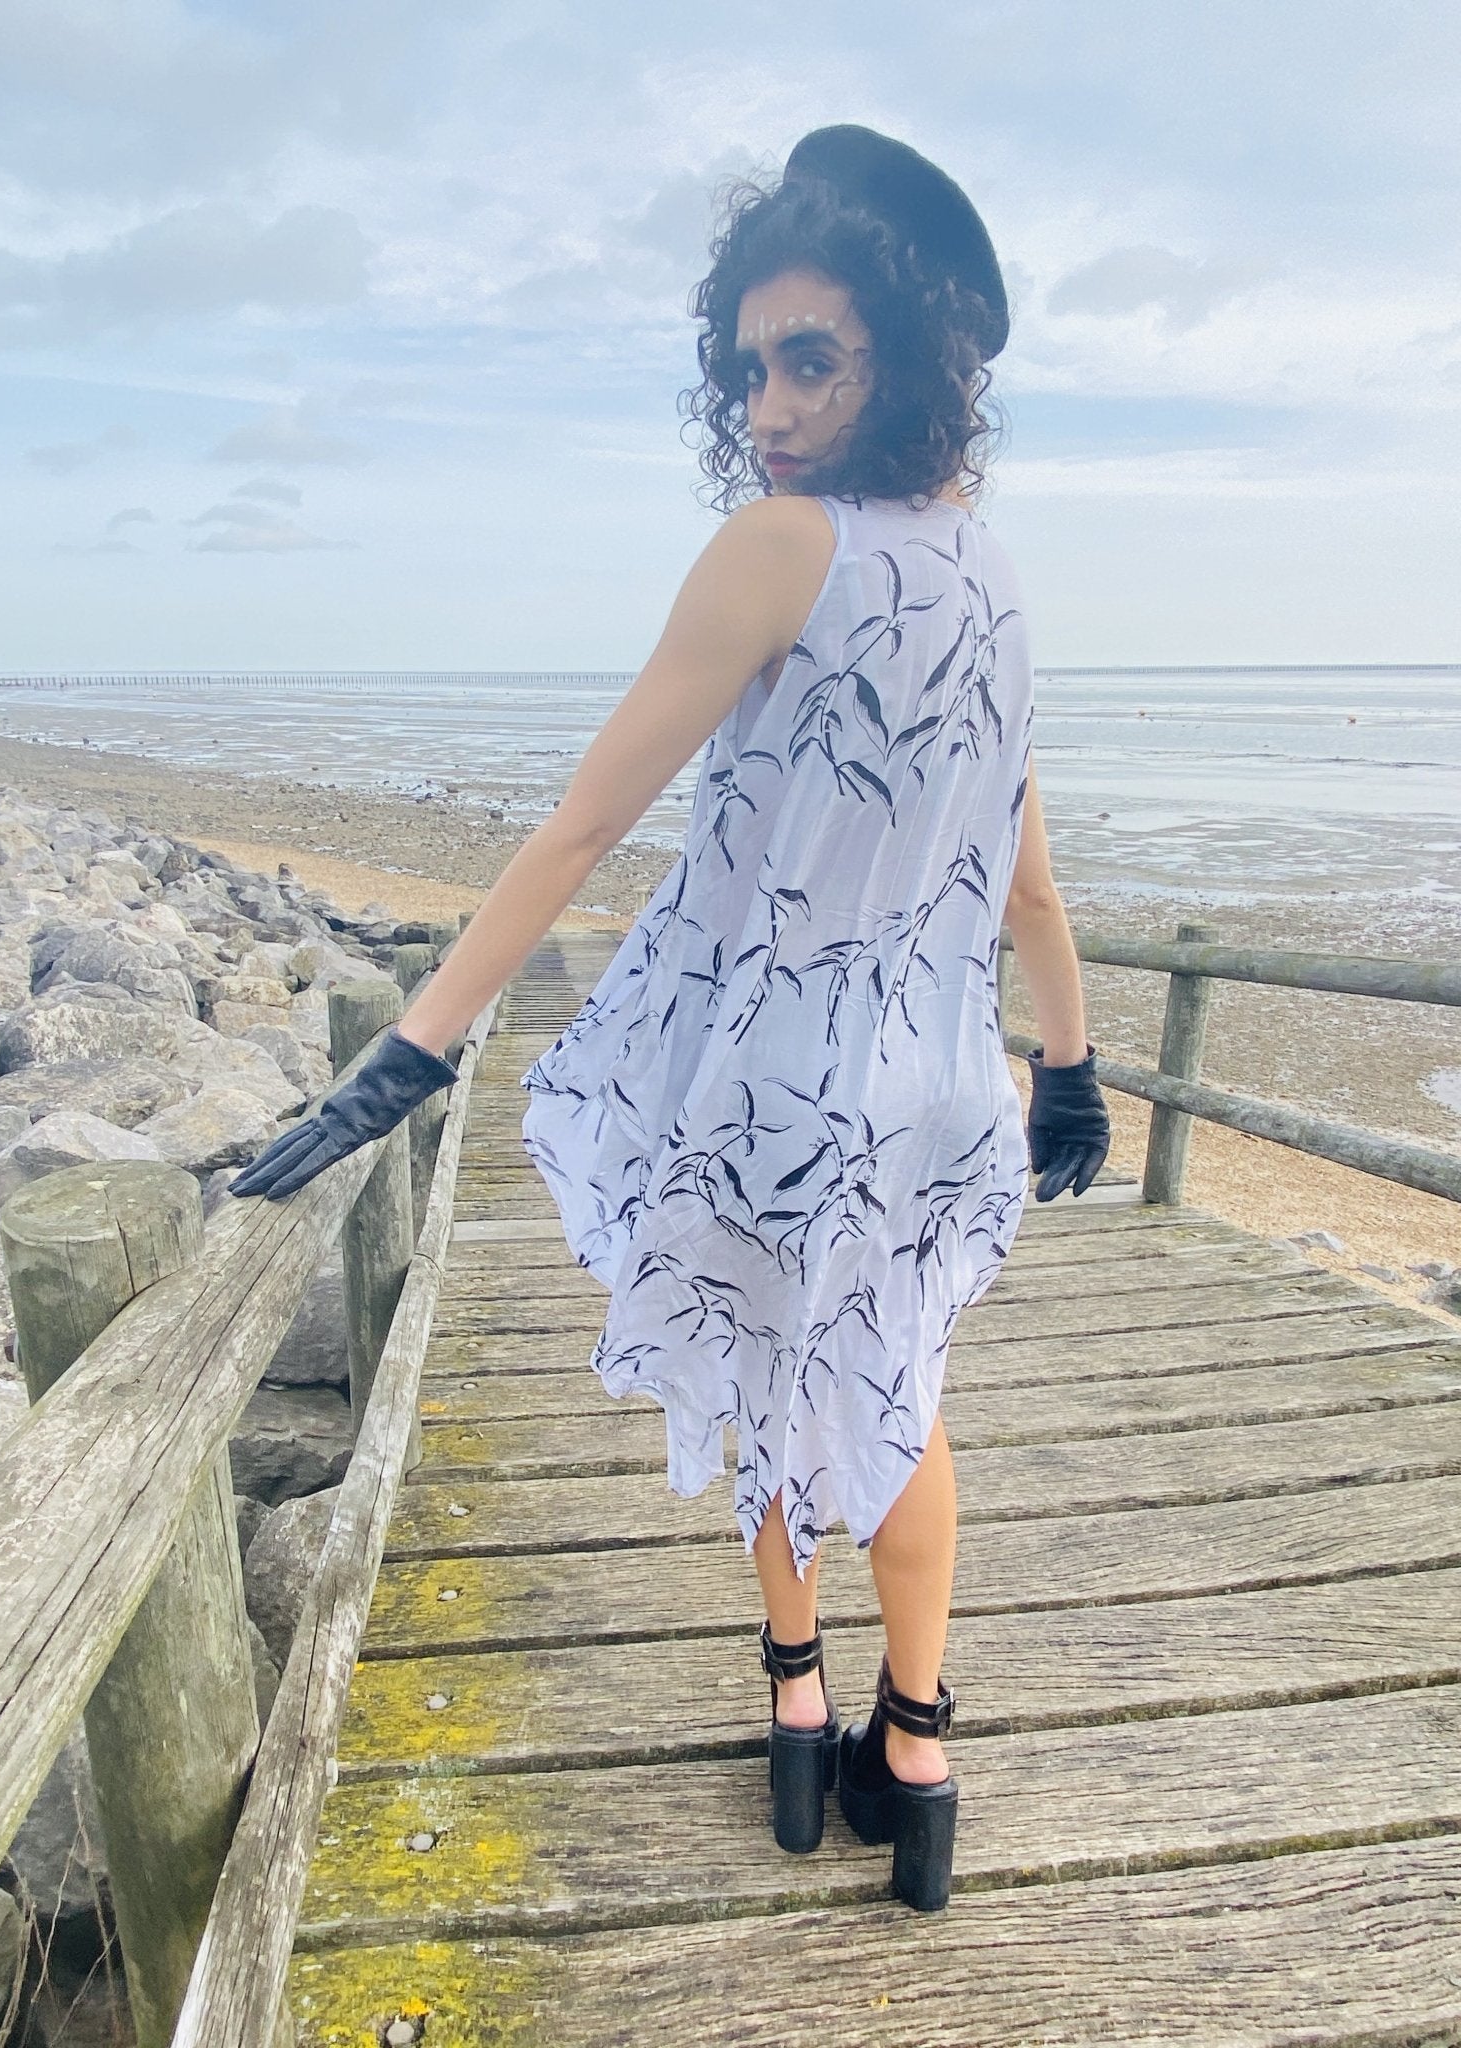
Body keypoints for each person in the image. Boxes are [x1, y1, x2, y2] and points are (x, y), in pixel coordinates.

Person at [231, 123, 1110, 1914]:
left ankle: (795, 1711)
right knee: (901, 1393)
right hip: (940, 1087)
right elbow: (1023, 871)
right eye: (749, 365)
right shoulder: (994, 572)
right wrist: (1076, 1062)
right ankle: (915, 1756)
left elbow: (581, 825)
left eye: (812, 360)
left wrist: (415, 1048)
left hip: (783, 1083)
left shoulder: (779, 547)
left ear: (904, 359)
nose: (769, 407)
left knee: (780, 1385)